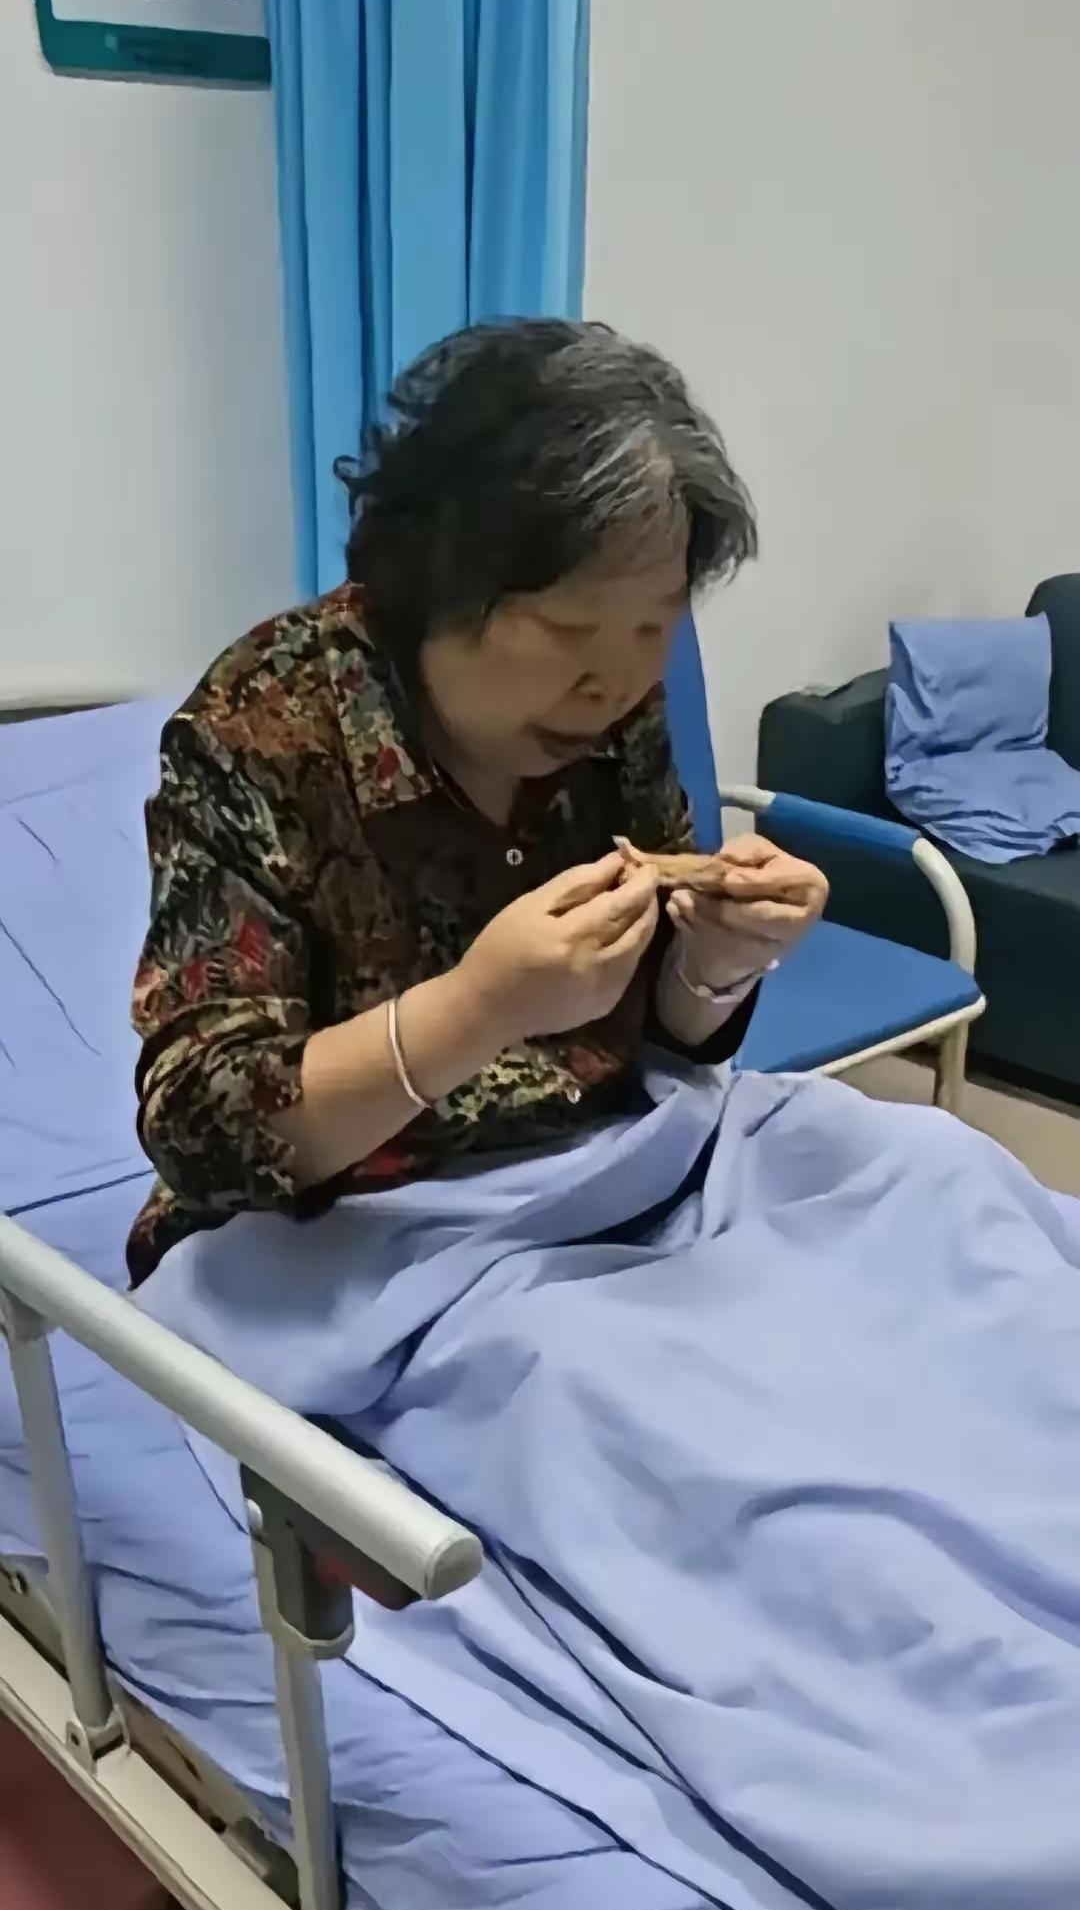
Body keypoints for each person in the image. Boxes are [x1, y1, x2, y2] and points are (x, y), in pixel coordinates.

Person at [127, 320, 827, 1285]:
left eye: (653, 627)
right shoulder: (260, 728)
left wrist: (718, 964)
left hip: (604, 1182)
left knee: (930, 1182)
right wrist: (477, 1007)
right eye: (567, 629)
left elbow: (665, 1035)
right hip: (345, 1233)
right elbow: (203, 1130)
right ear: (439, 582)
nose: (613, 682)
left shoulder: (620, 703)